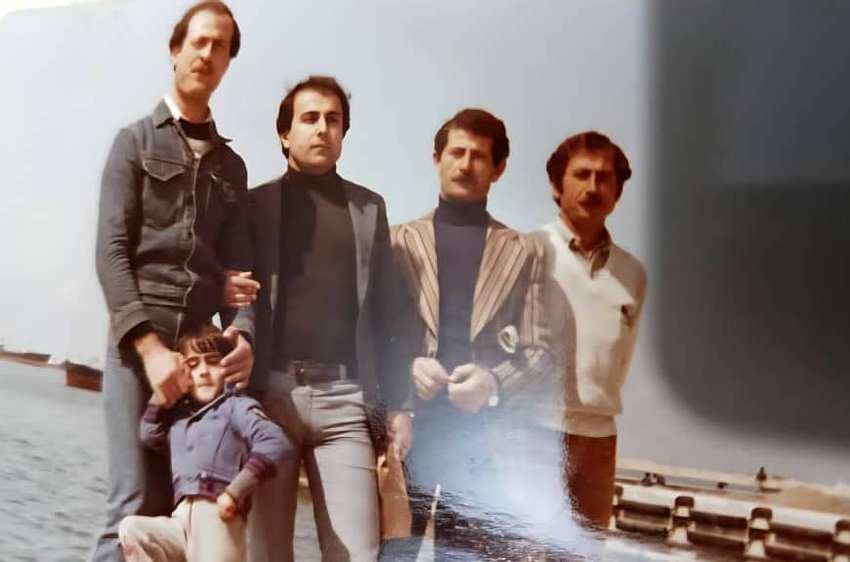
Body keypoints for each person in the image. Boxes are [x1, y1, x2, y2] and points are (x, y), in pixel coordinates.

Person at [91, 3, 257, 560]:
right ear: (176, 49)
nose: (207, 55)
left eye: (220, 47)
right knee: (131, 505)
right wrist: (150, 350)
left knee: (178, 511)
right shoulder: (133, 143)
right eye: (199, 42)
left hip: (198, 355)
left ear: (228, 63)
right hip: (137, 350)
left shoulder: (231, 169)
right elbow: (110, 254)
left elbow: (240, 274)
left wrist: (243, 336)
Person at [247, 75, 412, 562]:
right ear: (284, 134)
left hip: (346, 405)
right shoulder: (254, 205)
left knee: (357, 554)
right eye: (310, 118)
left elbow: (388, 314)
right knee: (265, 555)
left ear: (344, 133)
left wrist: (400, 405)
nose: (323, 128)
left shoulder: (368, 209)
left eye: (333, 120)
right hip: (271, 400)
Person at [389, 108, 557, 560]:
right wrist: (406, 368)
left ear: (498, 168)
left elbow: (541, 352)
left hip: (481, 439)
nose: (466, 164)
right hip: (409, 425)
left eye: (479, 156)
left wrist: (493, 381)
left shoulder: (525, 252)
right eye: (456, 152)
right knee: (393, 552)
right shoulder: (396, 241)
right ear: (436, 159)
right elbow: (371, 334)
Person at [537, 131, 647, 527]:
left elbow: (620, 360)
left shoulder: (632, 273)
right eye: (582, 175)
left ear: (617, 192)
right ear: (557, 185)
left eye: (604, 177)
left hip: (599, 440)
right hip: (534, 430)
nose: (593, 187)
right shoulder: (529, 251)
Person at [118, 324, 290, 562]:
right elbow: (150, 434)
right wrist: (163, 396)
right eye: (192, 364)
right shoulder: (181, 417)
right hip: (179, 519)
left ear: (228, 365)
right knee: (133, 529)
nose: (203, 372)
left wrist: (235, 493)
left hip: (218, 518)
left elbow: (275, 442)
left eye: (212, 361)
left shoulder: (236, 406)